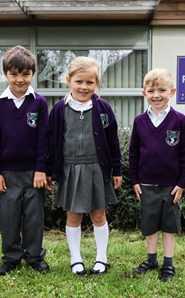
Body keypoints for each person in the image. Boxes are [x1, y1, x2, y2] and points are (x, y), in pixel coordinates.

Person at [46, 56, 123, 276]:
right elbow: (52, 143)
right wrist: (52, 171)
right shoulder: (60, 109)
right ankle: (76, 259)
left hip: (96, 169)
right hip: (71, 169)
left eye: (90, 82)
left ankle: (101, 258)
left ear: (96, 83)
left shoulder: (103, 109)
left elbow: (112, 142)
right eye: (79, 81)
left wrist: (116, 170)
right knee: (74, 216)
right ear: (69, 80)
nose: (84, 87)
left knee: (98, 215)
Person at [0, 45, 50, 276]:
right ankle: (11, 258)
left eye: (25, 74)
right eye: (14, 74)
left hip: (34, 173)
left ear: (33, 74)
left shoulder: (39, 103)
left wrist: (40, 169)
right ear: (5, 74)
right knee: (9, 218)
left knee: (34, 217)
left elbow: (44, 139)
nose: (20, 79)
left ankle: (35, 257)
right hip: (6, 174)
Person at [129, 68, 185, 282]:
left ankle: (168, 263)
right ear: (143, 93)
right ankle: (151, 259)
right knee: (149, 224)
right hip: (146, 184)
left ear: (172, 91)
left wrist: (182, 183)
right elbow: (134, 153)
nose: (156, 95)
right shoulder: (139, 121)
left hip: (171, 186)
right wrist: (135, 181)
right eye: (151, 90)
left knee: (168, 225)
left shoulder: (179, 120)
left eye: (162, 90)